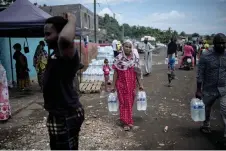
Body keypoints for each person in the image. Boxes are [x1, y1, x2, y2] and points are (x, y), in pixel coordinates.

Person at [43, 13, 84, 150]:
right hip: (59, 112)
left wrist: (72, 19)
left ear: (60, 34)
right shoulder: (55, 53)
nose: (45, 38)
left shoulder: (66, 53)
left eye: (48, 34)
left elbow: (65, 38)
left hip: (66, 114)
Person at [196, 33, 226, 147]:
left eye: (224, 43)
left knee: (225, 110)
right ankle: (206, 125)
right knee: (206, 107)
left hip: (224, 89)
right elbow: (200, 73)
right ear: (214, 44)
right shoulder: (206, 55)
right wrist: (198, 89)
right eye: (220, 43)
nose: (222, 46)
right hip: (209, 88)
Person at [112, 40, 143, 131]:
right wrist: (113, 86)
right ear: (122, 47)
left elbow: (137, 73)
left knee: (130, 102)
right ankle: (126, 122)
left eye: (130, 47)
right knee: (123, 103)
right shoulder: (118, 58)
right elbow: (115, 73)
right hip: (121, 85)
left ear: (132, 48)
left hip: (131, 85)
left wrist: (141, 84)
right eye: (126, 46)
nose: (128, 48)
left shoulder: (134, 59)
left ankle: (126, 119)